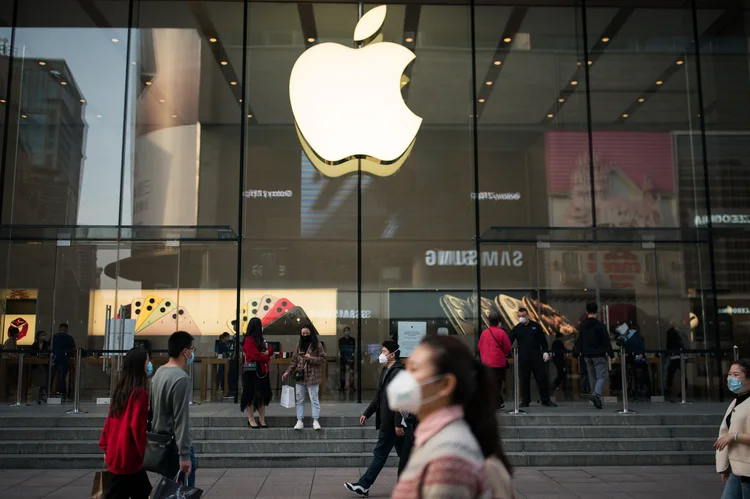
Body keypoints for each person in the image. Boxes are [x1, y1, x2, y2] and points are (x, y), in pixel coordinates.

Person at [388, 335, 513, 499]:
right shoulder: (437, 440)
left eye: (414, 369)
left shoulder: (447, 460)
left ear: (445, 384)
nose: (405, 378)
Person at [346, 341, 409, 496]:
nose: (381, 354)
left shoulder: (398, 372)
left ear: (393, 354)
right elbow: (379, 397)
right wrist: (367, 413)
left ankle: (364, 485)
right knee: (406, 456)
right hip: (388, 421)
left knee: (380, 454)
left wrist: (397, 424)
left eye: (384, 351)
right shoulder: (385, 371)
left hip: (391, 423)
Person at [98, 347, 152, 499]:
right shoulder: (139, 393)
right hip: (129, 457)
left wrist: (105, 446)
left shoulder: (121, 389)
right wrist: (144, 453)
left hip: (116, 453)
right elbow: (137, 427)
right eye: (147, 360)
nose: (149, 363)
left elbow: (110, 420)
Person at [150, 331, 196, 486]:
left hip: (161, 443)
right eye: (192, 349)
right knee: (181, 491)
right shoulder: (181, 378)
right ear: (185, 351)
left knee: (167, 488)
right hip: (175, 446)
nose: (192, 353)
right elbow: (181, 418)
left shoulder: (159, 372)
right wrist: (184, 454)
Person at [715, 359, 750, 498]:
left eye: (736, 375)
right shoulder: (736, 401)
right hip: (737, 470)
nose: (730, 378)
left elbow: (730, 435)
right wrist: (725, 466)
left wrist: (734, 436)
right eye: (729, 374)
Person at [509, 307, 556, 408]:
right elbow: (509, 341)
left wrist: (545, 352)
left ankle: (545, 400)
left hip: (536, 357)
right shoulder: (517, 328)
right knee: (524, 380)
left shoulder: (536, 326)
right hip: (523, 358)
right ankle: (525, 401)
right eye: (520, 316)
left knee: (542, 379)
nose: (522, 318)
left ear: (527, 315)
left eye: (524, 316)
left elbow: (543, 341)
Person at [282, 324, 326, 430]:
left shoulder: (317, 345)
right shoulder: (299, 345)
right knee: (300, 399)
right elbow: (294, 361)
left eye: (307, 333)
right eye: (303, 334)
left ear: (311, 333)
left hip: (313, 376)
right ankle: (299, 420)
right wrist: (287, 372)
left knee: (314, 399)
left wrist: (310, 358)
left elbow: (322, 359)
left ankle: (316, 420)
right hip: (300, 376)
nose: (305, 335)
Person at [574, 303, 614, 409]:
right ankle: (596, 395)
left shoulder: (582, 325)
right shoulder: (600, 325)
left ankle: (596, 398)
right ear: (597, 311)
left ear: (586, 312)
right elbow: (606, 341)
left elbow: (579, 340)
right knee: (602, 376)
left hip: (587, 354)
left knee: (592, 377)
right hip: (598, 354)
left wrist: (577, 352)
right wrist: (611, 354)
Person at [241, 318, 274, 428]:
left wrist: (267, 352)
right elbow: (254, 354)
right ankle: (251, 418)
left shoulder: (261, 339)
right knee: (251, 395)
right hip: (251, 371)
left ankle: (262, 418)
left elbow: (270, 349)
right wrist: (266, 357)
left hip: (262, 371)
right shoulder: (249, 339)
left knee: (262, 394)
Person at [477, 312, 511, 408]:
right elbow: (507, 347)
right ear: (499, 322)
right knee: (497, 384)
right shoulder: (501, 332)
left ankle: (496, 402)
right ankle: (496, 403)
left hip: (486, 363)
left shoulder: (484, 333)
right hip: (498, 363)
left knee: (489, 383)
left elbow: (479, 347)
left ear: (489, 321)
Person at [52, 323, 76, 399]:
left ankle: (50, 391)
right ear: (66, 329)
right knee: (62, 377)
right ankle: (61, 392)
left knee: (52, 376)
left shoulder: (54, 337)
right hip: (64, 359)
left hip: (54, 358)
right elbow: (73, 349)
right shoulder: (69, 338)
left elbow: (49, 347)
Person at [665, 325, 685, 399]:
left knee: (670, 374)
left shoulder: (671, 339)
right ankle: (683, 390)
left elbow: (668, 350)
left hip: (674, 358)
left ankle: (668, 388)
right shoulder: (679, 339)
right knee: (682, 374)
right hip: (682, 357)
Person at [30, 331, 50, 403]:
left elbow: (48, 352)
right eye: (42, 335)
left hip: (44, 364)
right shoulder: (34, 344)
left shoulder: (46, 344)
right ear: (38, 336)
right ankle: (36, 396)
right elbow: (31, 353)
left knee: (43, 379)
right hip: (36, 364)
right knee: (36, 379)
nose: (43, 336)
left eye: (44, 335)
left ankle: (42, 393)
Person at [2, 326, 19, 401]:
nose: (18, 334)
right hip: (7, 360)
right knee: (7, 376)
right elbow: (9, 352)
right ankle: (4, 391)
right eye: (17, 333)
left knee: (10, 376)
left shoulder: (13, 340)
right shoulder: (10, 341)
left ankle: (7, 390)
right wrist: (16, 356)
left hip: (10, 360)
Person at [339, 327, 356, 392]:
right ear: (343, 332)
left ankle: (351, 386)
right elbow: (341, 349)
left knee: (351, 372)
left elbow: (353, 348)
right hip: (343, 358)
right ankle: (342, 386)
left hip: (351, 357)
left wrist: (350, 357)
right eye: (345, 331)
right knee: (342, 373)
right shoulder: (341, 340)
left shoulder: (352, 340)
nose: (347, 332)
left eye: (348, 330)